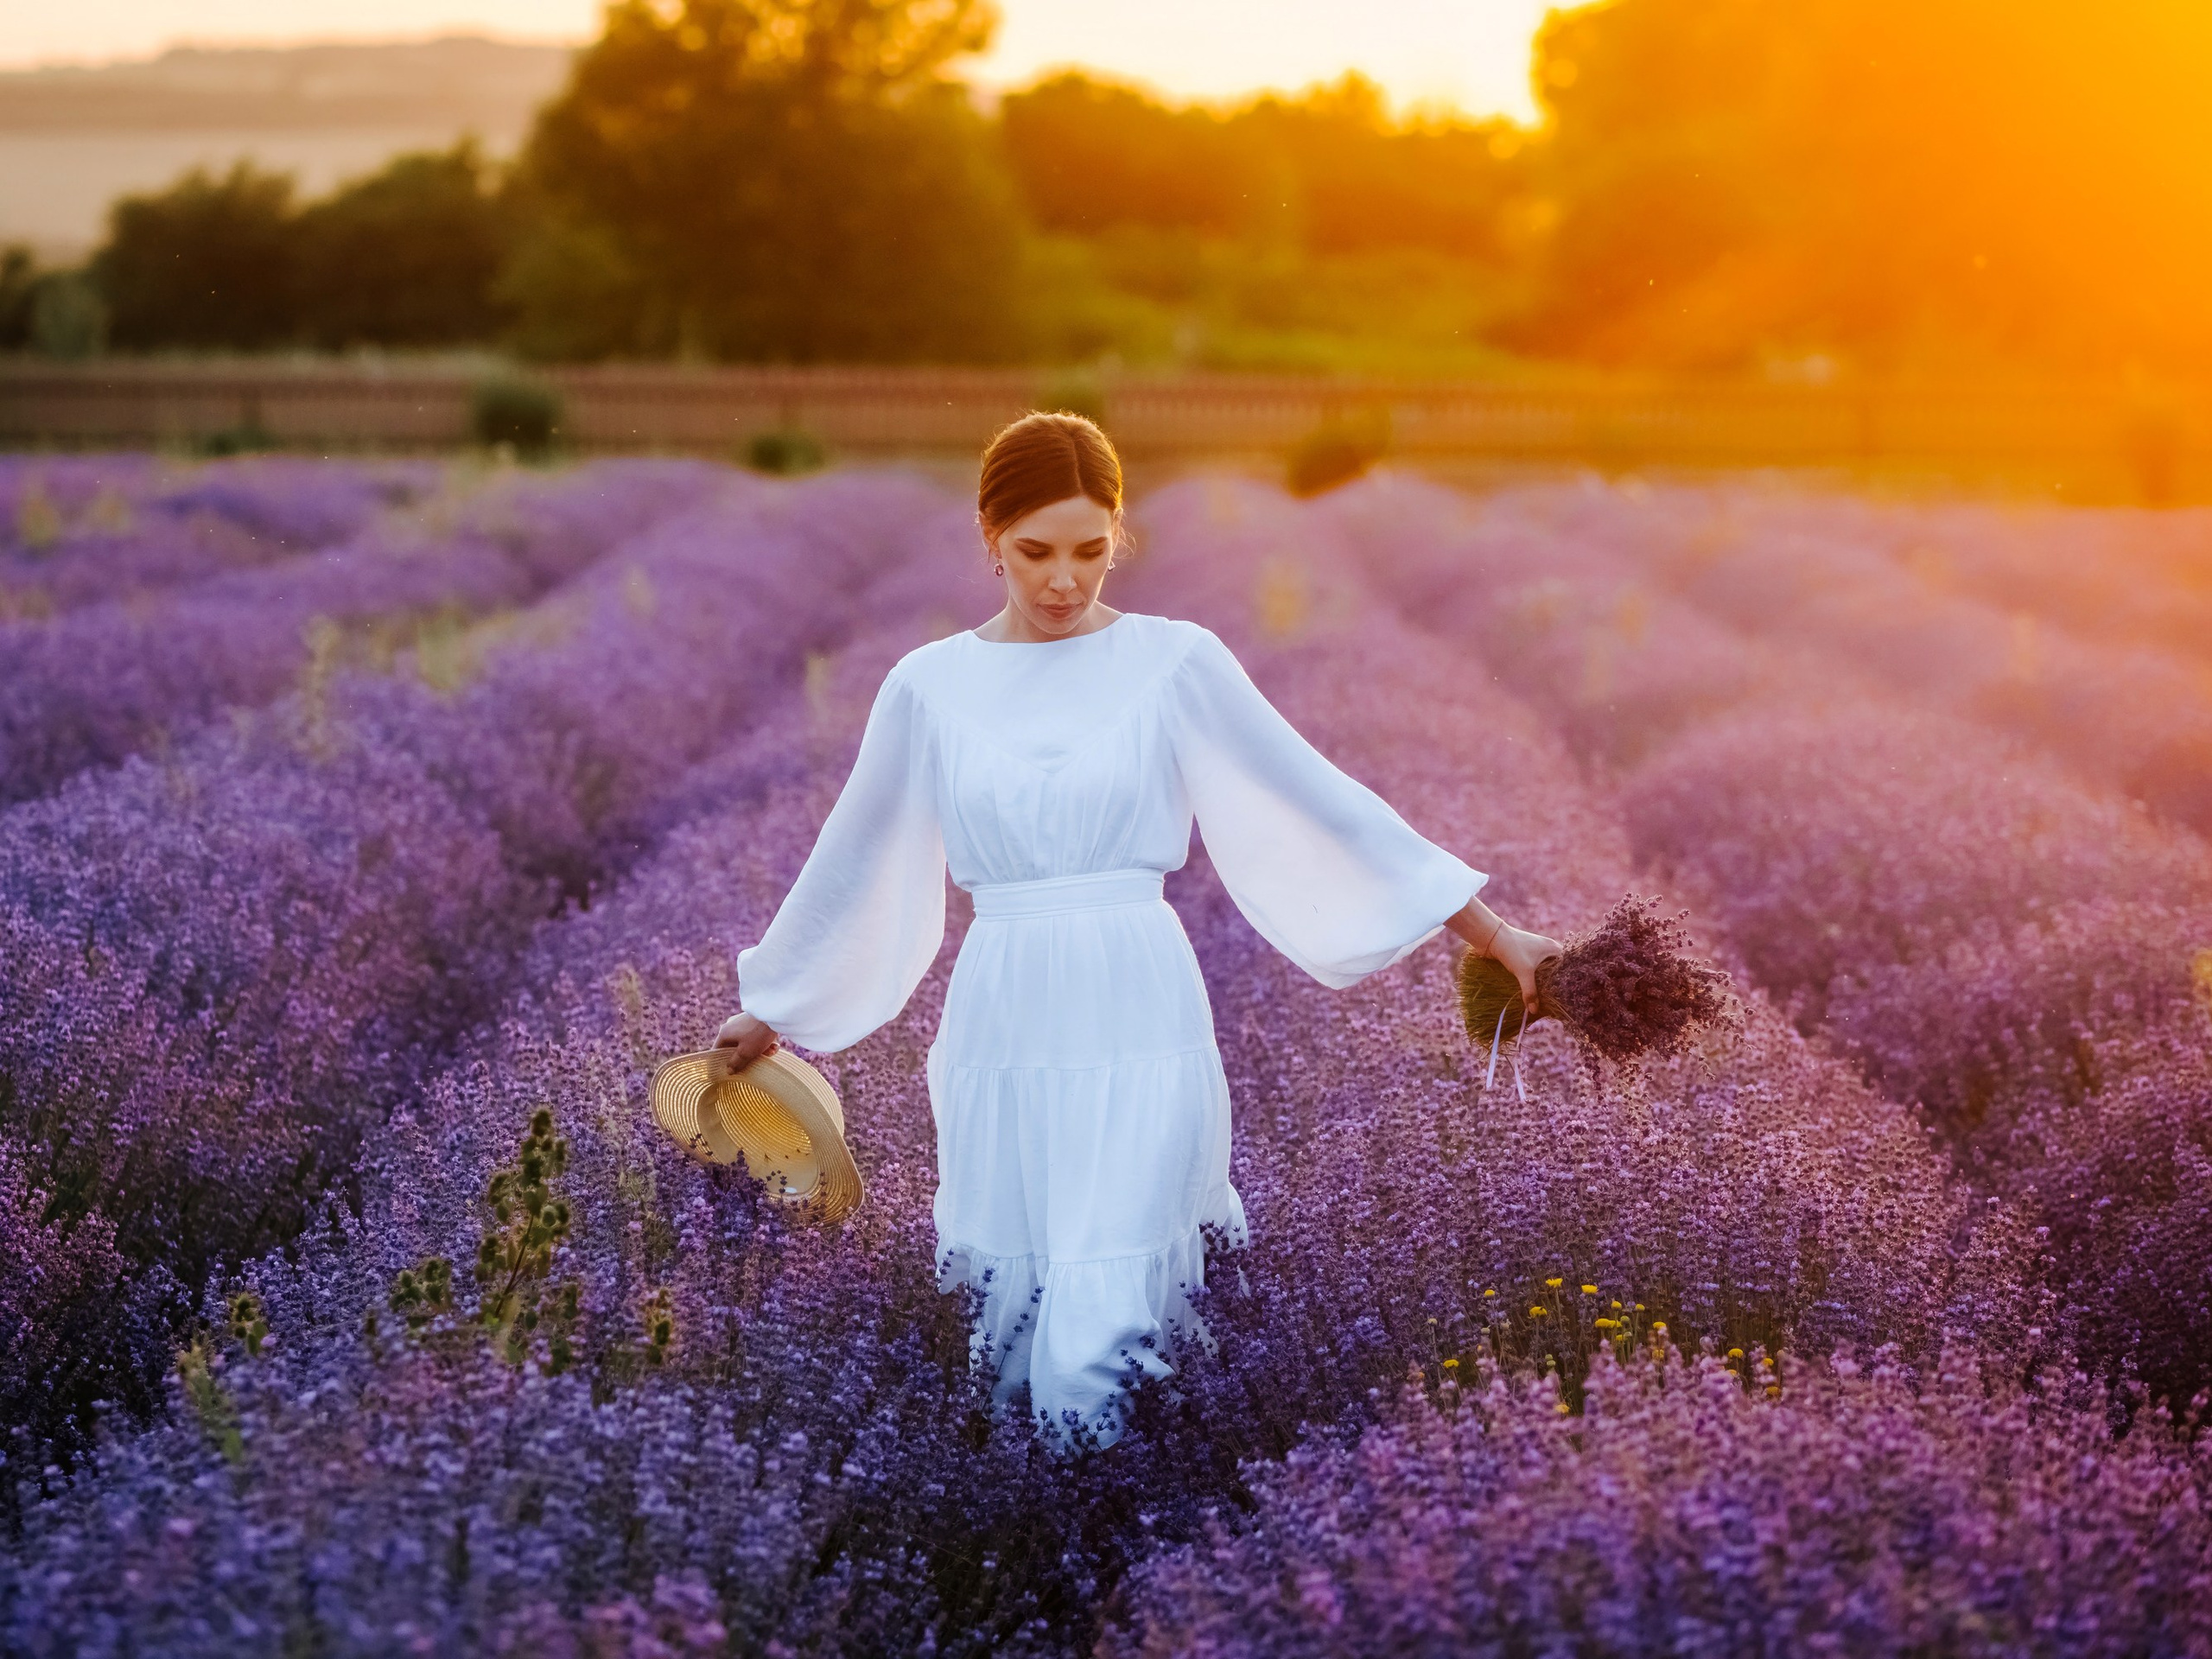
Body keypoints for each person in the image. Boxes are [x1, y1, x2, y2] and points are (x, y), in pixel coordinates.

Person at [715, 411, 1560, 1450]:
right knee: (1012, 1308)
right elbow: (857, 852)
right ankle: (1037, 1542)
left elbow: (1316, 802)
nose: (1064, 579)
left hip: (1136, 1001)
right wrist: (775, 1007)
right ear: (989, 539)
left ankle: (1117, 1503)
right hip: (1006, 1013)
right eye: (1034, 552)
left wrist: (1488, 931)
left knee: (1112, 1296)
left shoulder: (1174, 662)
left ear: (1119, 534)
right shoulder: (926, 686)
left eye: (1089, 548)